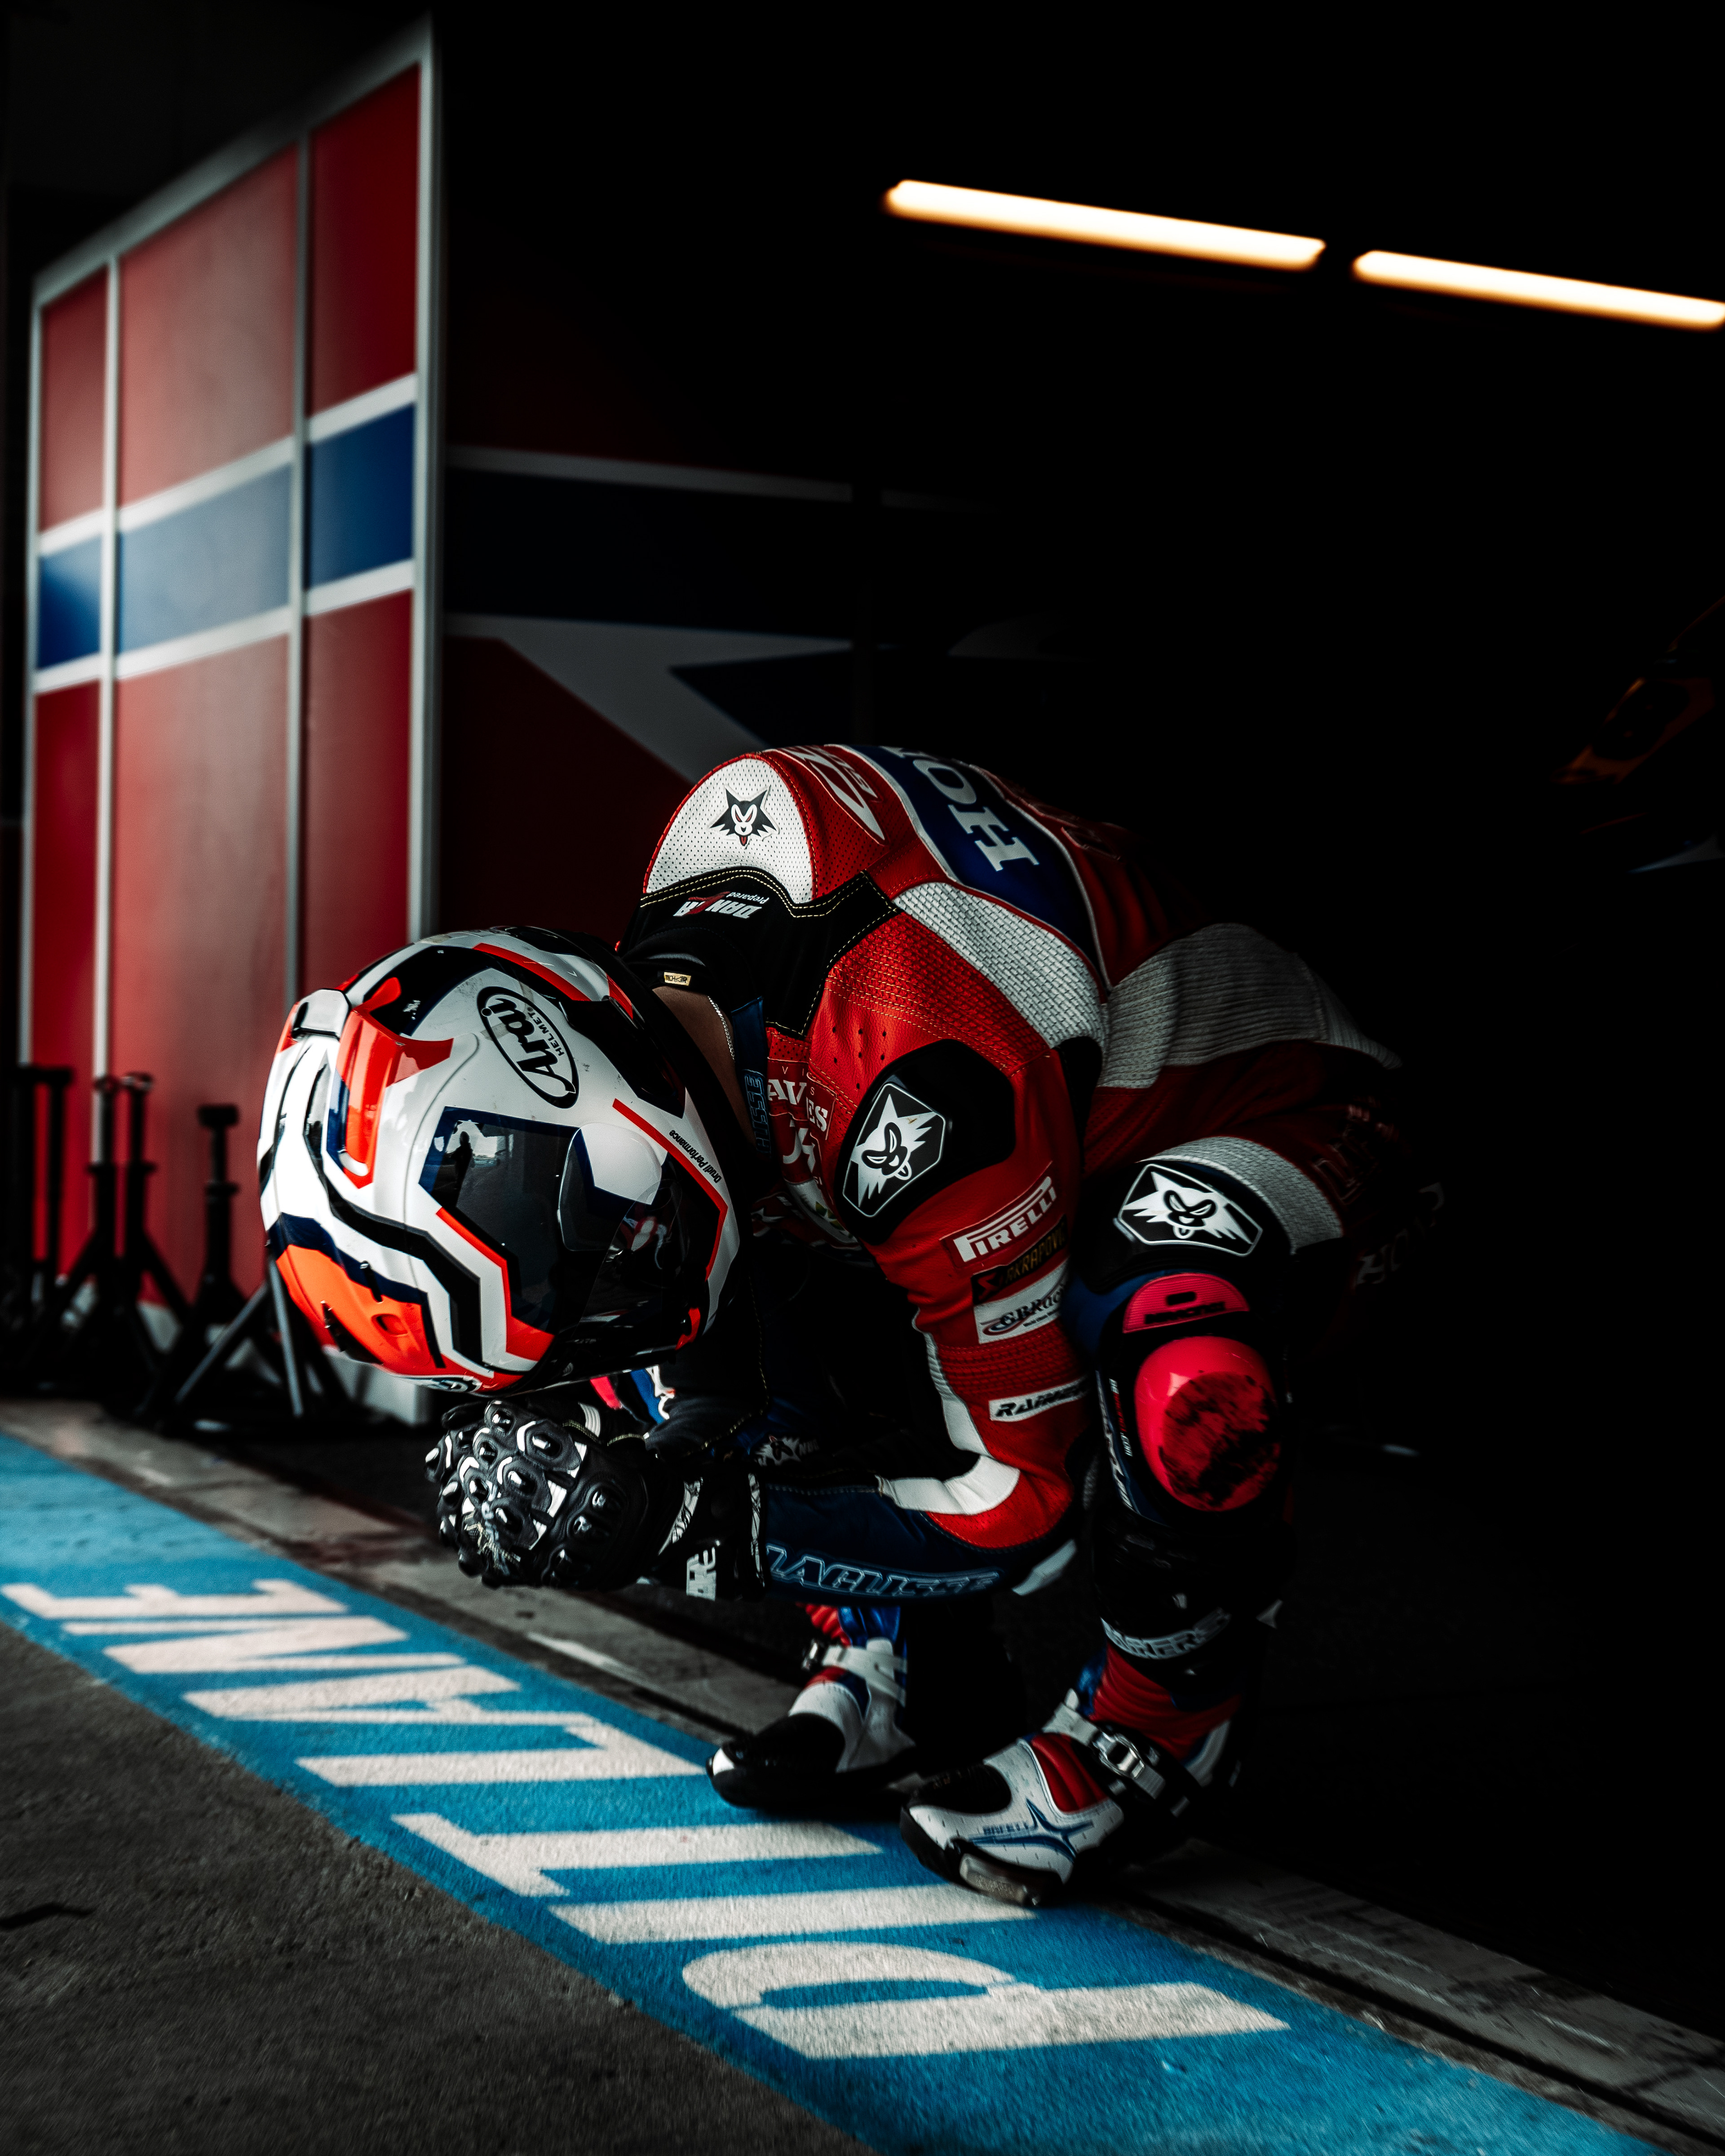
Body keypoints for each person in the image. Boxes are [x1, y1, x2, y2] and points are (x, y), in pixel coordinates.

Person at [261, 742, 1433, 1907]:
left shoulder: (913, 1069)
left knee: (1172, 1328)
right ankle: (905, 1664)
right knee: (738, 1266)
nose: (603, 1327)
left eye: (581, 1276)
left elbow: (1022, 1508)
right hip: (1032, 1141)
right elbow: (707, 1291)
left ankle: (1164, 1729)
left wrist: (700, 1525)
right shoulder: (675, 1007)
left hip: (1305, 1124)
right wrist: (649, 1458)